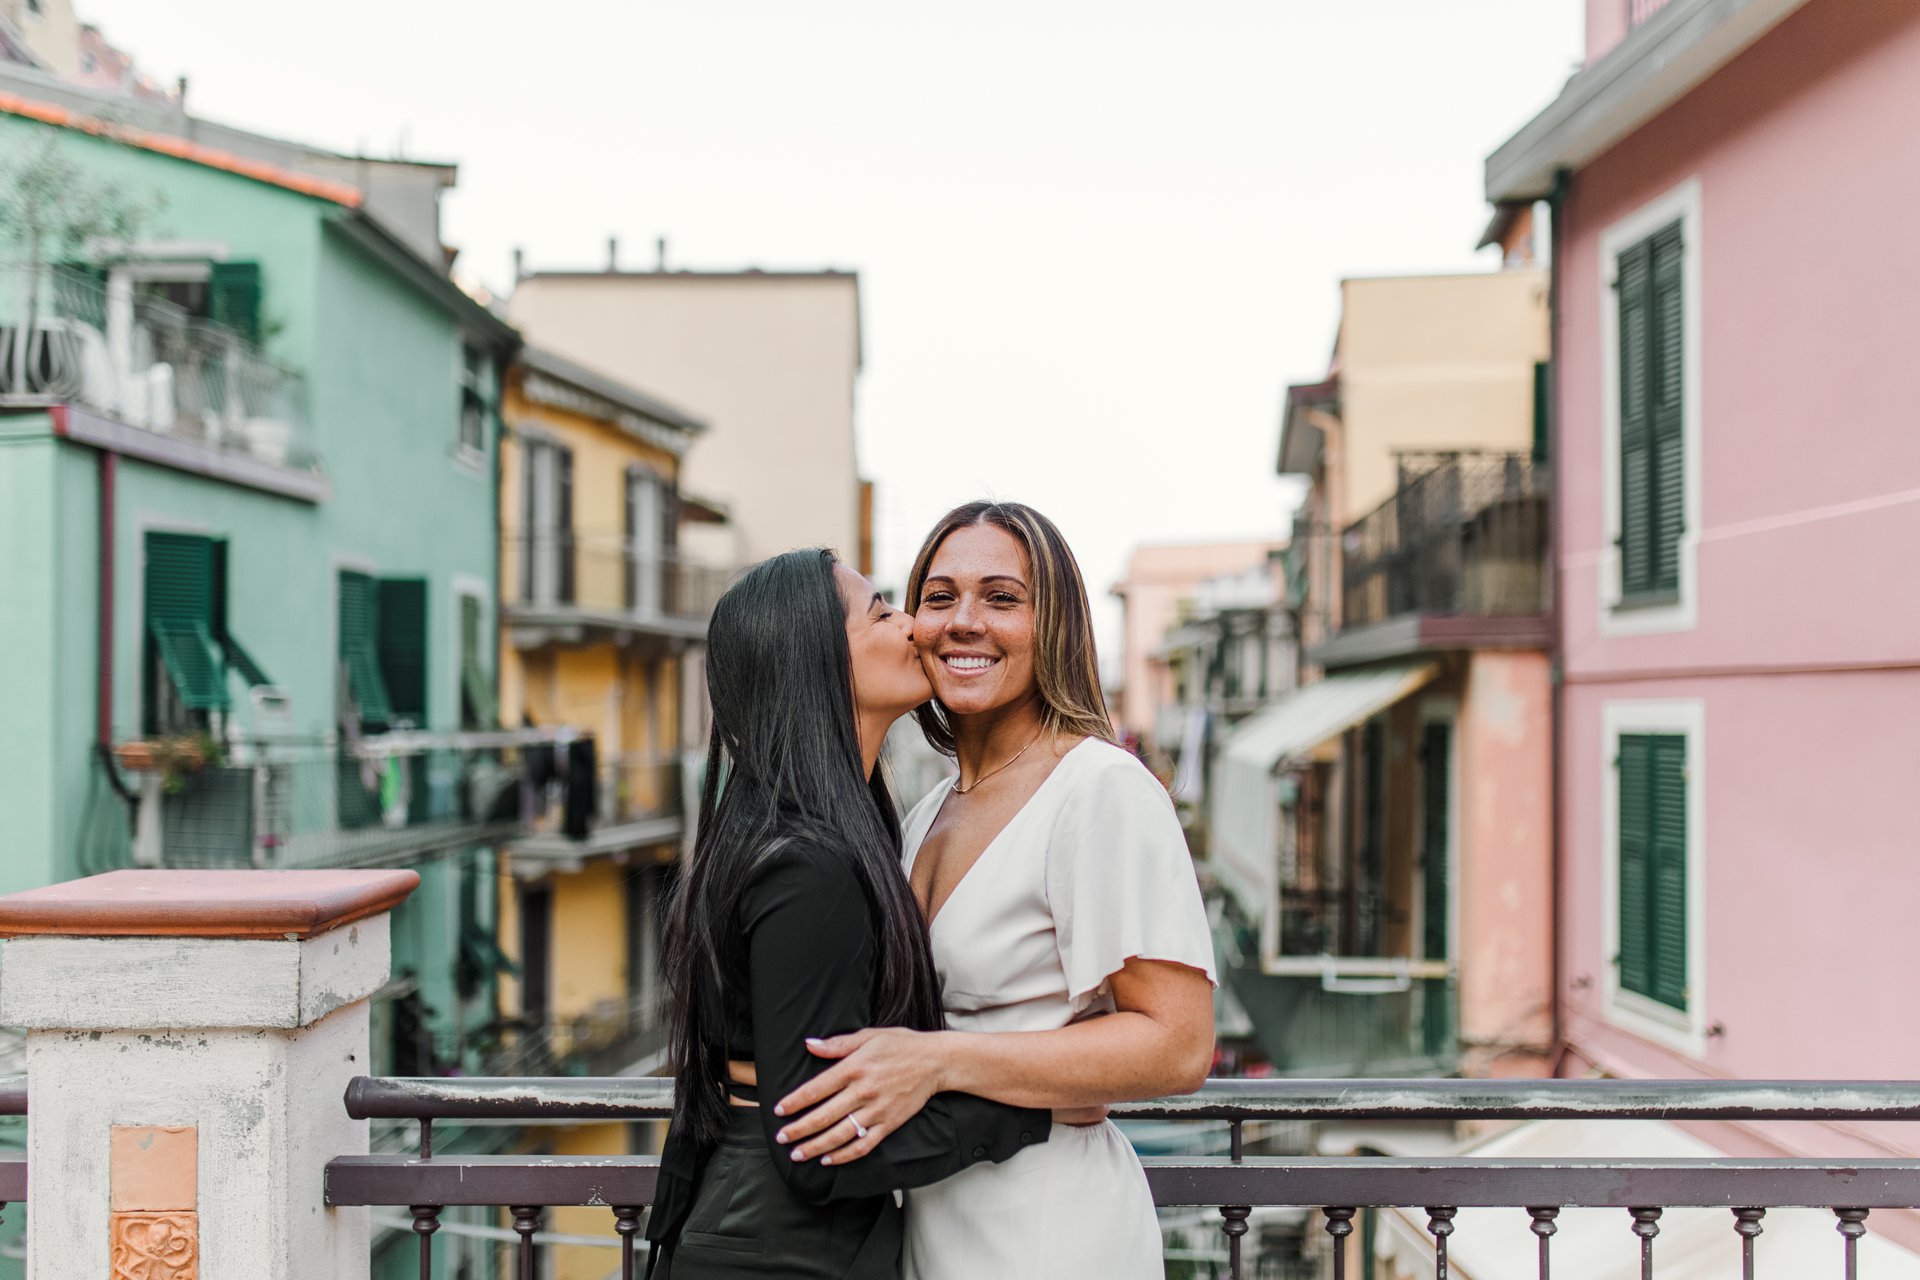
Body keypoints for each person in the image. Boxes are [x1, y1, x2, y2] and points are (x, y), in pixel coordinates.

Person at [770, 502, 1218, 1279]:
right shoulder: (924, 813)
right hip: (932, 1223)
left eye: (1002, 598)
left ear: (1057, 628)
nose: (963, 622)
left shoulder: (1100, 789)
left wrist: (943, 1062)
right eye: (938, 597)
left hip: (1052, 1231)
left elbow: (1178, 1044)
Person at [646, 548, 1076, 1279]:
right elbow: (813, 1148)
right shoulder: (809, 865)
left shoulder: (793, 831)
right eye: (881, 611)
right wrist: (1032, 1110)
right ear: (817, 663)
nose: (913, 626)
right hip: (782, 1252)